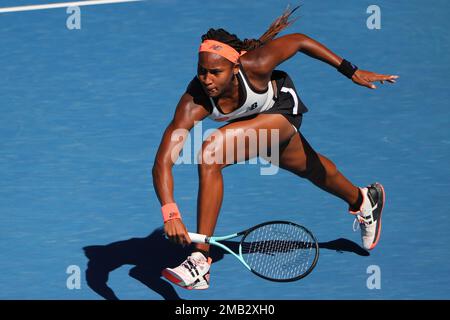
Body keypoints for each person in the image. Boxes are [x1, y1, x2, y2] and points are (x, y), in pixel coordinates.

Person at [152, 7, 398, 290]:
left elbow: (299, 40)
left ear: (235, 68)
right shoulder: (193, 100)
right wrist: (170, 212)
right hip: (251, 123)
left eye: (215, 72)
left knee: (211, 152)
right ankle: (365, 199)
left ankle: (200, 261)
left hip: (281, 110)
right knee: (312, 169)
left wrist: (350, 70)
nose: (206, 79)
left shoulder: (256, 63)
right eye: (202, 71)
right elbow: (162, 162)